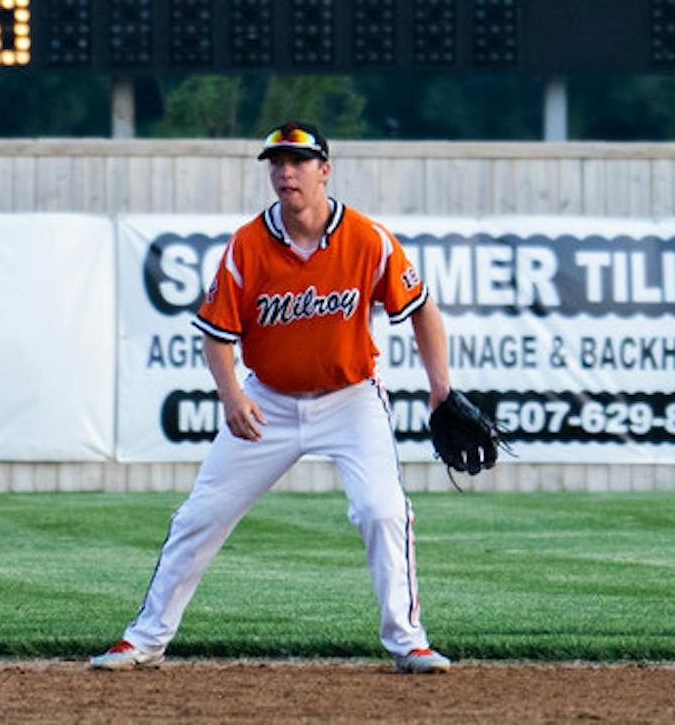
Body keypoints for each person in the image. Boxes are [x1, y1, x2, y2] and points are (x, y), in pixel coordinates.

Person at [90, 120, 456, 674]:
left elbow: (421, 307)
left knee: (383, 511)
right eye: (277, 162)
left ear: (324, 170)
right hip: (269, 402)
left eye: (299, 161)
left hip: (351, 399)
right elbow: (217, 333)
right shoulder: (248, 244)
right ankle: (145, 639)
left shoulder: (367, 238)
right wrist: (232, 395)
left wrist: (441, 389)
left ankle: (408, 641)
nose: (286, 172)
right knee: (202, 515)